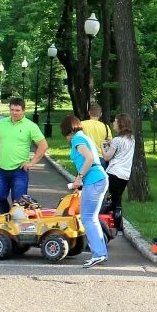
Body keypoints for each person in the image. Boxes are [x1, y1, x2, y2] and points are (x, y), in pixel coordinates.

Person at [0, 98, 48, 214]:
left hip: (20, 170)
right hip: (1, 169)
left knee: (19, 202)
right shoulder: (1, 123)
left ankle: (17, 224)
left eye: (17, 110)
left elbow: (43, 145)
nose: (14, 112)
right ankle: (7, 216)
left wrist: (31, 162)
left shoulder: (31, 126)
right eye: (12, 109)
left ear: (23, 111)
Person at [62, 115, 108, 268]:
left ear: (67, 130)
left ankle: (98, 254)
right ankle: (101, 253)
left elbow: (88, 159)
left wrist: (79, 177)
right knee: (92, 218)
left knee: (88, 218)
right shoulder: (84, 137)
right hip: (97, 178)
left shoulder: (77, 140)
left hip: (94, 180)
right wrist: (79, 180)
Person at [102, 113, 135, 236]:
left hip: (114, 172)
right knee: (116, 198)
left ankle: (118, 227)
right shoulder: (131, 139)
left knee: (116, 201)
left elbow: (107, 157)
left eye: (115, 121)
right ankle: (112, 224)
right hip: (125, 174)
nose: (113, 123)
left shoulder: (117, 140)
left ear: (120, 124)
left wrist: (103, 146)